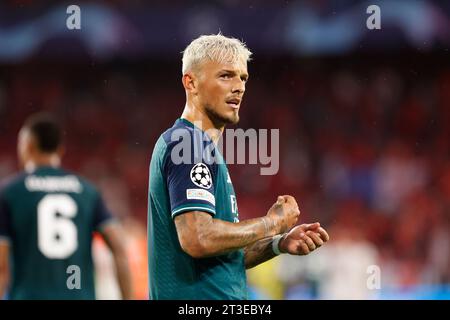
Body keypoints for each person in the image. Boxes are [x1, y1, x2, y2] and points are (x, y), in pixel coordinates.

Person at [148, 33, 330, 300]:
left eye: (242, 78)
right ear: (191, 82)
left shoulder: (200, 147)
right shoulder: (187, 143)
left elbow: (222, 256)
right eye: (225, 76)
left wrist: (279, 243)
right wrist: (272, 222)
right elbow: (198, 238)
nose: (239, 87)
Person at [0, 113, 133, 299]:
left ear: (27, 146)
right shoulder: (87, 191)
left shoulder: (10, 193)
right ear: (61, 150)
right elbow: (118, 247)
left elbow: (1, 265)